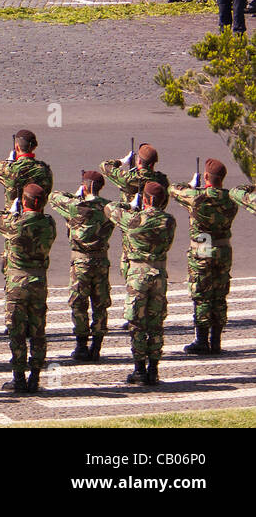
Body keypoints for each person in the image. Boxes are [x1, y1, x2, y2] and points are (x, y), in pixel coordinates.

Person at [0, 183, 55, 394]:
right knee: (37, 331)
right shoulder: (49, 223)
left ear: (24, 202)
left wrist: (12, 212)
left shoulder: (16, 224)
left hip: (17, 282)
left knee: (16, 331)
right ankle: (35, 376)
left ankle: (18, 377)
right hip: (39, 282)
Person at [105, 181, 176, 385]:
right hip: (159, 274)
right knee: (155, 323)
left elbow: (109, 209)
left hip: (138, 275)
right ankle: (153, 369)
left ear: (145, 199)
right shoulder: (169, 221)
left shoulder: (135, 220)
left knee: (137, 322)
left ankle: (139, 369)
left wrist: (130, 205)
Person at [169, 158, 240, 356]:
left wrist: (192, 184)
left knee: (202, 293)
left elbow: (173, 190)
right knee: (219, 294)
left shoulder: (198, 197)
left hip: (203, 245)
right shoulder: (230, 199)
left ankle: (201, 340)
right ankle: (216, 341)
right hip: (223, 248)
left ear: (206, 177)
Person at [49, 170, 115, 361]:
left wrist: (77, 195)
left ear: (85, 186)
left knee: (79, 303)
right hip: (101, 260)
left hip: (80, 261)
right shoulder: (108, 208)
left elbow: (54, 197)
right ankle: (97, 345)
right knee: (100, 304)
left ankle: (81, 345)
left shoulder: (74, 206)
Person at [0, 128, 53, 209]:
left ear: (17, 147)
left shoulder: (10, 170)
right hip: (37, 217)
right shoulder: (45, 170)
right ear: (33, 148)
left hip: (13, 218)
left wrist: (9, 162)